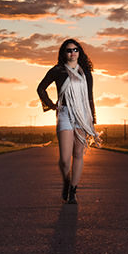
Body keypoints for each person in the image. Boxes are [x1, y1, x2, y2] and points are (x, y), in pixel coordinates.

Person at [36, 38, 100, 204]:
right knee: (65, 159)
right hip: (65, 113)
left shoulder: (85, 73)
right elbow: (40, 88)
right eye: (69, 50)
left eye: (75, 50)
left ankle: (73, 190)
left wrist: (92, 120)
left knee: (78, 154)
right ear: (64, 53)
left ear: (80, 52)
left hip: (82, 115)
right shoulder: (58, 70)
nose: (72, 53)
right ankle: (66, 181)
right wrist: (51, 105)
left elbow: (90, 97)